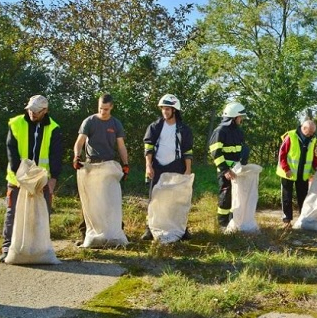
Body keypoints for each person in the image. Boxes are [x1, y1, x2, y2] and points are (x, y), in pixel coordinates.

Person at [1, 95, 63, 262]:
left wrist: (53, 179)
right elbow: (11, 152)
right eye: (30, 110)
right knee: (13, 212)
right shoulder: (16, 124)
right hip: (18, 179)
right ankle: (8, 247)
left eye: (36, 111)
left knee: (41, 214)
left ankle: (38, 248)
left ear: (45, 111)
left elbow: (56, 155)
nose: (32, 114)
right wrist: (22, 176)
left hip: (42, 181)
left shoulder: (53, 128)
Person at [73, 93, 129, 244]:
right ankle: (85, 235)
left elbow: (121, 146)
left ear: (111, 107)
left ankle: (116, 232)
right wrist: (77, 157)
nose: (103, 112)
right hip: (92, 166)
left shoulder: (116, 124)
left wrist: (125, 164)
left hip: (109, 165)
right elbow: (80, 142)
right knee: (89, 202)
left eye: (105, 109)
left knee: (111, 201)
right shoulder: (89, 121)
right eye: (100, 108)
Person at [141, 94, 193, 240]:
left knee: (177, 199)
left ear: (175, 110)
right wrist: (148, 166)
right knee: (154, 198)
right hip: (157, 166)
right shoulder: (155, 127)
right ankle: (150, 229)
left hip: (176, 166)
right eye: (163, 108)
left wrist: (188, 170)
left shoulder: (184, 129)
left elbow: (188, 151)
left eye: (168, 109)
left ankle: (181, 229)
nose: (165, 111)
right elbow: (148, 148)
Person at [208, 102, 248, 228]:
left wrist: (243, 164)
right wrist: (225, 170)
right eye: (240, 117)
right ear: (233, 117)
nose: (241, 119)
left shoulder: (238, 132)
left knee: (236, 196)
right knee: (226, 196)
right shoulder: (220, 131)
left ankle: (233, 222)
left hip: (237, 170)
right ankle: (222, 224)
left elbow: (241, 149)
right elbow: (215, 152)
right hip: (225, 171)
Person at [276, 120, 317, 227]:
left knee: (303, 197)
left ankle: (302, 219)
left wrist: (316, 166)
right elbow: (282, 154)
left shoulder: (312, 139)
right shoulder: (290, 136)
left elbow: (312, 155)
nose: (311, 134)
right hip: (288, 173)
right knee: (286, 197)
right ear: (303, 128)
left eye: (313, 132)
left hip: (303, 174)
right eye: (310, 132)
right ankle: (287, 221)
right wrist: (286, 169)